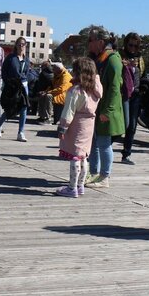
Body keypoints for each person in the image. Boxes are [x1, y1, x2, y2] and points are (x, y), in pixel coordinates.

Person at [55, 57, 103, 197]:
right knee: (83, 156)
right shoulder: (94, 90)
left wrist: (62, 127)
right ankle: (81, 185)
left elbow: (68, 111)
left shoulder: (75, 91)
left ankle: (72, 188)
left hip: (76, 125)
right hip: (89, 125)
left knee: (75, 156)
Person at [86, 30, 125, 188]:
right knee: (94, 143)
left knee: (104, 143)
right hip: (97, 108)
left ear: (100, 42)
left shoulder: (113, 60)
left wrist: (107, 111)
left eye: (91, 40)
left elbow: (115, 88)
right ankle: (93, 173)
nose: (89, 43)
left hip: (107, 110)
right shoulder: (99, 58)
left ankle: (104, 177)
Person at [0, 37, 31, 141]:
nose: (21, 46)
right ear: (16, 45)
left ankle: (21, 132)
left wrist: (25, 82)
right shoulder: (10, 58)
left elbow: (26, 73)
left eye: (23, 44)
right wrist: (7, 82)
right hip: (12, 85)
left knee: (24, 108)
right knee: (11, 108)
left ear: (25, 45)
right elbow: (4, 71)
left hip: (24, 86)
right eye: (19, 44)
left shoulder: (27, 60)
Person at [120, 32, 144, 164]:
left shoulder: (139, 58)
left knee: (132, 125)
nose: (133, 48)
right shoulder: (119, 56)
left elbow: (143, 74)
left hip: (136, 94)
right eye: (130, 45)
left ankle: (126, 154)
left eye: (136, 45)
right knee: (124, 123)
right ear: (126, 44)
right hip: (122, 94)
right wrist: (124, 65)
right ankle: (103, 148)